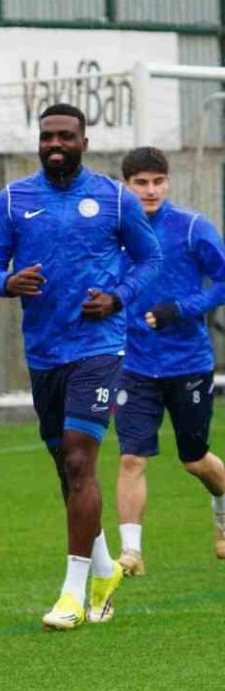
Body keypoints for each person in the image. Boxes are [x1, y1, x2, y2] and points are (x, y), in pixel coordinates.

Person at [0, 104, 164, 630]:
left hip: (99, 346)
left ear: (84, 142)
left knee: (81, 461)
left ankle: (71, 594)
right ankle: (103, 570)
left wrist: (118, 297)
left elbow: (150, 259)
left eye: (65, 136)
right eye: (47, 137)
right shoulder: (14, 199)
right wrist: (6, 282)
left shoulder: (114, 197)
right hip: (43, 351)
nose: (55, 144)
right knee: (67, 468)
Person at [111, 147, 225, 574]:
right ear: (126, 185)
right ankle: (131, 553)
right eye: (141, 182)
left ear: (168, 182)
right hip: (134, 365)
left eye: (158, 181)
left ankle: (221, 510)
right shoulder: (114, 233)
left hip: (188, 363)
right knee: (131, 458)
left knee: (195, 460)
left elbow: (222, 282)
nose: (151, 190)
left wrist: (181, 308)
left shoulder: (193, 227)